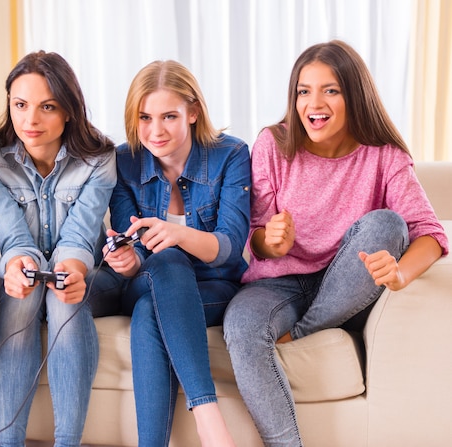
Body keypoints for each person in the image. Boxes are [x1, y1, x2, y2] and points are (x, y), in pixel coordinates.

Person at [223, 39, 449, 447]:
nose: (314, 102)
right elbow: (255, 237)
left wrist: (400, 273)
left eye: (331, 90)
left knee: (388, 224)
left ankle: (305, 331)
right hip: (278, 285)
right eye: (303, 91)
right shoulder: (272, 144)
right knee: (240, 327)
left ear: (354, 95)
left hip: (349, 286)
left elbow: (430, 234)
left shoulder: (384, 156)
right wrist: (271, 241)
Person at [89, 60, 251, 446]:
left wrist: (177, 233)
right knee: (166, 261)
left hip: (213, 287)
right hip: (148, 280)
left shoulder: (232, 155)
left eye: (169, 116)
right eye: (144, 117)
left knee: (151, 312)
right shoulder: (124, 161)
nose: (155, 130)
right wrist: (126, 263)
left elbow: (229, 247)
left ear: (193, 113)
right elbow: (138, 256)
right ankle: (210, 420)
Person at [0, 50, 116, 447]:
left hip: (86, 275)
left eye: (47, 107)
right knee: (26, 287)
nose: (30, 120)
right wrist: (19, 265)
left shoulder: (99, 157)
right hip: (21, 273)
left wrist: (71, 269)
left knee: (61, 297)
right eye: (19, 105)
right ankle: (9, 442)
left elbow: (81, 235)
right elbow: (13, 238)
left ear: (69, 110)